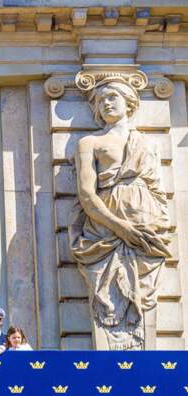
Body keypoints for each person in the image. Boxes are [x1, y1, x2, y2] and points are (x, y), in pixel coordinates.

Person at [71, 75, 171, 350]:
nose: (105, 104)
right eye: (100, 100)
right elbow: (87, 195)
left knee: (145, 295)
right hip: (105, 231)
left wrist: (158, 224)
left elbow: (158, 191)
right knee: (109, 303)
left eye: (112, 97)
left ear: (129, 102)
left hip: (147, 229)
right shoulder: (90, 142)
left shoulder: (149, 144)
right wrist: (120, 227)